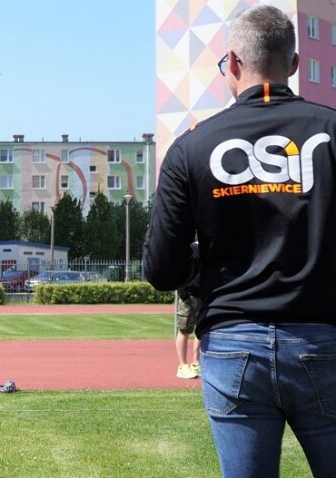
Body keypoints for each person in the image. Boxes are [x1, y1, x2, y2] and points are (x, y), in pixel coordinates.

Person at [143, 4, 336, 477]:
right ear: (293, 65)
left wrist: (199, 262)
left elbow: (161, 269)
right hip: (323, 338)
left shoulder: (192, 147)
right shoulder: (329, 131)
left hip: (233, 345)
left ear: (231, 63)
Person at [175, 275, 200, 379]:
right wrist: (184, 295)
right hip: (189, 296)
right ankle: (182, 366)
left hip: (203, 295)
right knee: (184, 331)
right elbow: (177, 274)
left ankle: (196, 363)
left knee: (201, 330)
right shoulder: (186, 258)